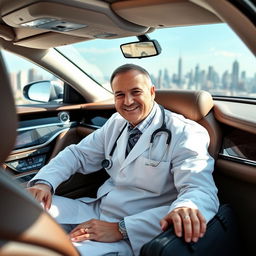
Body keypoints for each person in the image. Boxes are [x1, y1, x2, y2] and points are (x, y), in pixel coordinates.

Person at [27, 64, 219, 256]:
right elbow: (78, 154)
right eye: (119, 94)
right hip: (96, 210)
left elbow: (200, 189)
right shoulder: (116, 123)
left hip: (134, 230)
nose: (127, 101)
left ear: (152, 92)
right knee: (21, 208)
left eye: (136, 92)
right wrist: (45, 183)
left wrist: (122, 229)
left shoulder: (184, 132)